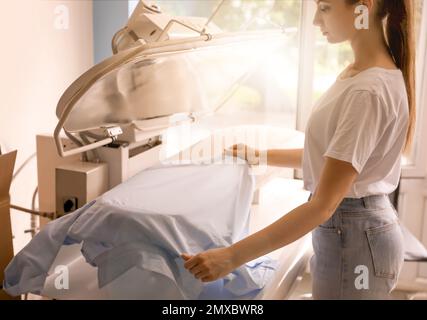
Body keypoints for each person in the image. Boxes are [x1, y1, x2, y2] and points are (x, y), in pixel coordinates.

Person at [182, 0, 416, 299]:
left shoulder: (367, 90)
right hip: (352, 231)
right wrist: (260, 155)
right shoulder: (357, 74)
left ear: (362, 8)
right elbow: (332, 158)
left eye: (325, 8)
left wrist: (231, 257)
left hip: (357, 239)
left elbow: (323, 205)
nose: (316, 20)